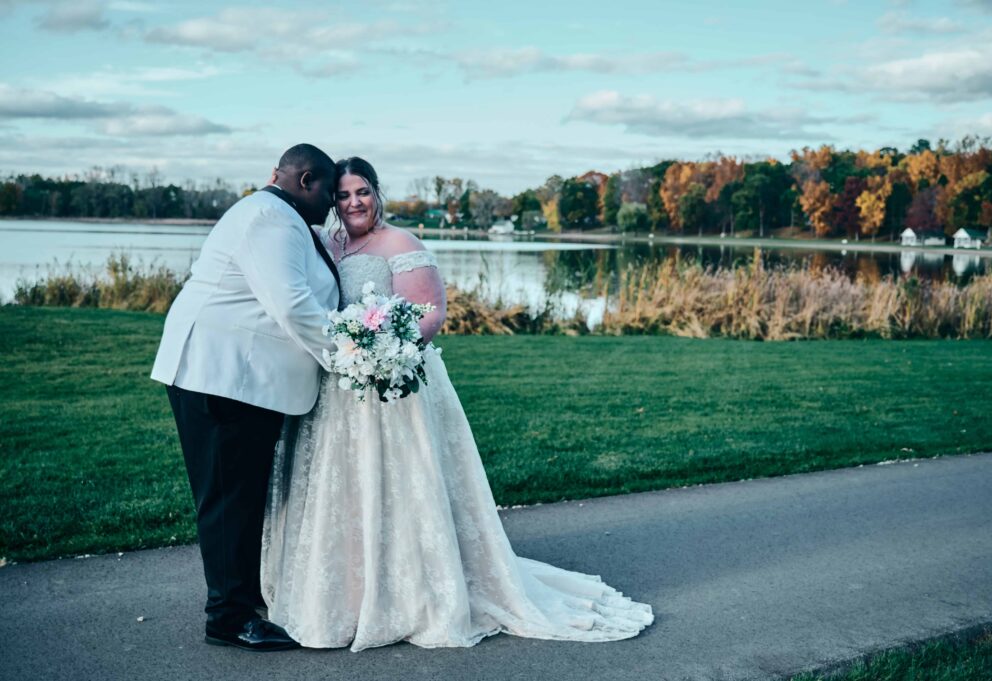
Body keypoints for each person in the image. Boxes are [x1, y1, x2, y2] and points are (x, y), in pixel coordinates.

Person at [261, 157, 653, 651]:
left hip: (396, 384)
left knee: (401, 484)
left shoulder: (402, 244)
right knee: (343, 486)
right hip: (339, 386)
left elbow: (430, 313)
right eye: (342, 195)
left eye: (362, 192)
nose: (353, 202)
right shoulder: (325, 244)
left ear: (376, 193)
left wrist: (389, 352)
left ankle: (414, 590)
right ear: (331, 201)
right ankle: (347, 591)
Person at [151, 144, 340, 651]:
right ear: (305, 181)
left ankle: (243, 595)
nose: (334, 205)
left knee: (240, 492)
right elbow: (292, 304)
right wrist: (350, 359)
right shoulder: (270, 218)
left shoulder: (276, 214)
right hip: (222, 377)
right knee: (228, 498)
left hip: (235, 378)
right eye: (329, 192)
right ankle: (228, 618)